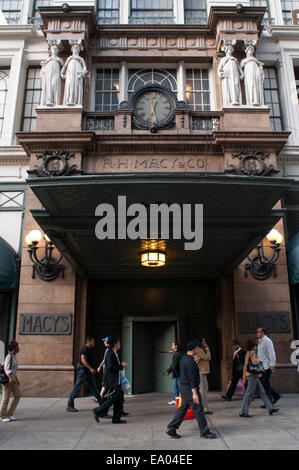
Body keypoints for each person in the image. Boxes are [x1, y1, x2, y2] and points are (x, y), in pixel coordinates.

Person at [166, 340, 217, 440]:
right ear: (194, 349)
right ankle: (204, 431)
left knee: (182, 409)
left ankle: (171, 428)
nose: (198, 349)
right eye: (197, 348)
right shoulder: (191, 362)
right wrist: (195, 393)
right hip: (190, 389)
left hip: (184, 387)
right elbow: (192, 379)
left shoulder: (184, 358)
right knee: (199, 410)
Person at [239, 339, 279, 417]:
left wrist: (244, 378)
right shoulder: (253, 353)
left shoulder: (247, 353)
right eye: (256, 346)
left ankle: (270, 408)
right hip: (252, 376)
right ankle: (243, 412)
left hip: (251, 376)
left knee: (262, 392)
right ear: (253, 346)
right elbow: (254, 362)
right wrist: (260, 359)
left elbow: (245, 366)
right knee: (249, 394)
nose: (256, 347)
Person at [93, 337, 127, 424]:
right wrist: (121, 366)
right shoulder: (109, 353)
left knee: (119, 400)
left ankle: (116, 419)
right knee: (113, 399)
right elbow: (110, 367)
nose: (120, 345)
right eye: (119, 343)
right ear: (115, 344)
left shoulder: (113, 353)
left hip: (116, 380)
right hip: (112, 381)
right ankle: (97, 411)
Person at [67, 336, 102, 412]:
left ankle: (102, 403)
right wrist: (91, 368)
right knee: (77, 388)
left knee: (94, 387)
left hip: (87, 372)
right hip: (83, 371)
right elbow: (83, 360)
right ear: (89, 342)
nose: (94, 343)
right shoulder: (85, 349)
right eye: (93, 342)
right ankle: (70, 405)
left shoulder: (90, 349)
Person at [257, 327, 281, 406]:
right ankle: (275, 396)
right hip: (261, 366)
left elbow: (272, 353)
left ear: (263, 332)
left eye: (259, 332)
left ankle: (269, 402)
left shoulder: (267, 341)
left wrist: (272, 364)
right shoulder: (260, 341)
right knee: (264, 384)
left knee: (265, 384)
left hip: (267, 366)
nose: (257, 333)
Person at [0, 341, 21, 422]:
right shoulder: (9, 357)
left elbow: (14, 369)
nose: (18, 348)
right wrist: (10, 378)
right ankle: (2, 416)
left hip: (13, 379)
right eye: (17, 347)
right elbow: (7, 368)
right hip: (8, 381)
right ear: (13, 348)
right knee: (6, 399)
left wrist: (16, 379)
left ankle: (9, 414)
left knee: (18, 395)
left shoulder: (14, 356)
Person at [194, 338, 212, 414]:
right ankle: (204, 408)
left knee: (204, 389)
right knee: (203, 391)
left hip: (201, 372)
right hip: (201, 372)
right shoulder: (199, 350)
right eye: (204, 342)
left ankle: (204, 407)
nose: (205, 343)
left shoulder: (198, 350)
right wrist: (207, 348)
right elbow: (208, 357)